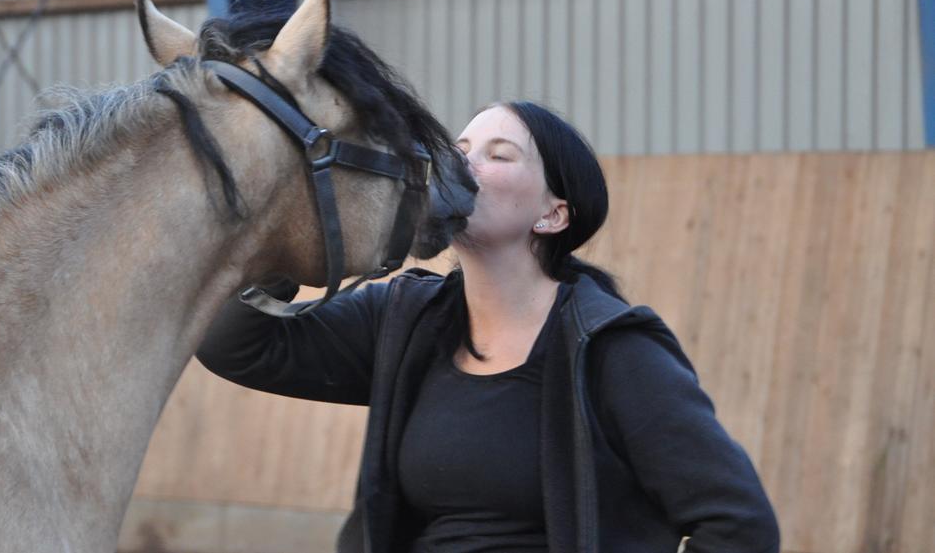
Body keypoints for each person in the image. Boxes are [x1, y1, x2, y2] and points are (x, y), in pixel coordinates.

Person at [196, 101, 780, 553]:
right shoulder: (404, 318)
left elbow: (738, 524)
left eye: (499, 155)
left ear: (553, 214)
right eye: (461, 147)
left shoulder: (614, 350)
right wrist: (292, 233)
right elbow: (239, 343)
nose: (462, 164)